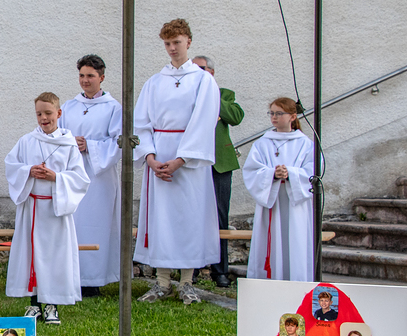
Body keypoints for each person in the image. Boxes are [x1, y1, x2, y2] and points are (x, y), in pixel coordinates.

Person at [134, 20, 220, 305]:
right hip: (159, 156)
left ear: (188, 42)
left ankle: (186, 283)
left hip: (188, 161)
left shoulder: (203, 81)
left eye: (177, 42)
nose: (172, 48)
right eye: (167, 43)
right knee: (161, 218)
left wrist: (181, 159)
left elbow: (204, 122)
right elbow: (141, 122)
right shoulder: (154, 82)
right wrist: (150, 157)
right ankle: (162, 282)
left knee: (189, 217)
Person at [5, 92, 90, 324]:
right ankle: (34, 304)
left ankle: (52, 305)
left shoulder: (69, 144)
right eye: (39, 114)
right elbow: (11, 165)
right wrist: (28, 171)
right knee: (31, 255)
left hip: (55, 209)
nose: (44, 118)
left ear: (59, 113)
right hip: (32, 207)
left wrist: (56, 177)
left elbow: (80, 178)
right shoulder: (27, 141)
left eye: (48, 113)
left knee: (54, 257)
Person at [60, 54, 122, 297]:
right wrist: (70, 142)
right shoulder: (70, 106)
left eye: (90, 76)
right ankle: (72, 275)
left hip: (99, 174)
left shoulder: (113, 108)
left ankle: (93, 279)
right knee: (73, 223)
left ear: (102, 77)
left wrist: (91, 146)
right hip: (73, 170)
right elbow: (58, 134)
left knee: (96, 224)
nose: (85, 80)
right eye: (82, 75)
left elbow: (118, 142)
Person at [244, 97, 315, 282]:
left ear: (292, 116)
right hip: (272, 201)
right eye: (272, 113)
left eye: (279, 113)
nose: (274, 117)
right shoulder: (262, 143)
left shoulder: (306, 144)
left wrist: (290, 173)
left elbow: (313, 171)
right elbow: (251, 170)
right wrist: (272, 174)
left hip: (295, 204)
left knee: (296, 240)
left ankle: (297, 283)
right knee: (272, 241)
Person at [192, 56, 244, 288]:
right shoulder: (186, 94)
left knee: (220, 217)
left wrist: (211, 92)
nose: (196, 71)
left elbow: (236, 116)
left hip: (219, 164)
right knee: (193, 216)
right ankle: (191, 268)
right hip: (194, 163)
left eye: (201, 68)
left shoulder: (224, 94)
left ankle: (220, 270)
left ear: (211, 72)